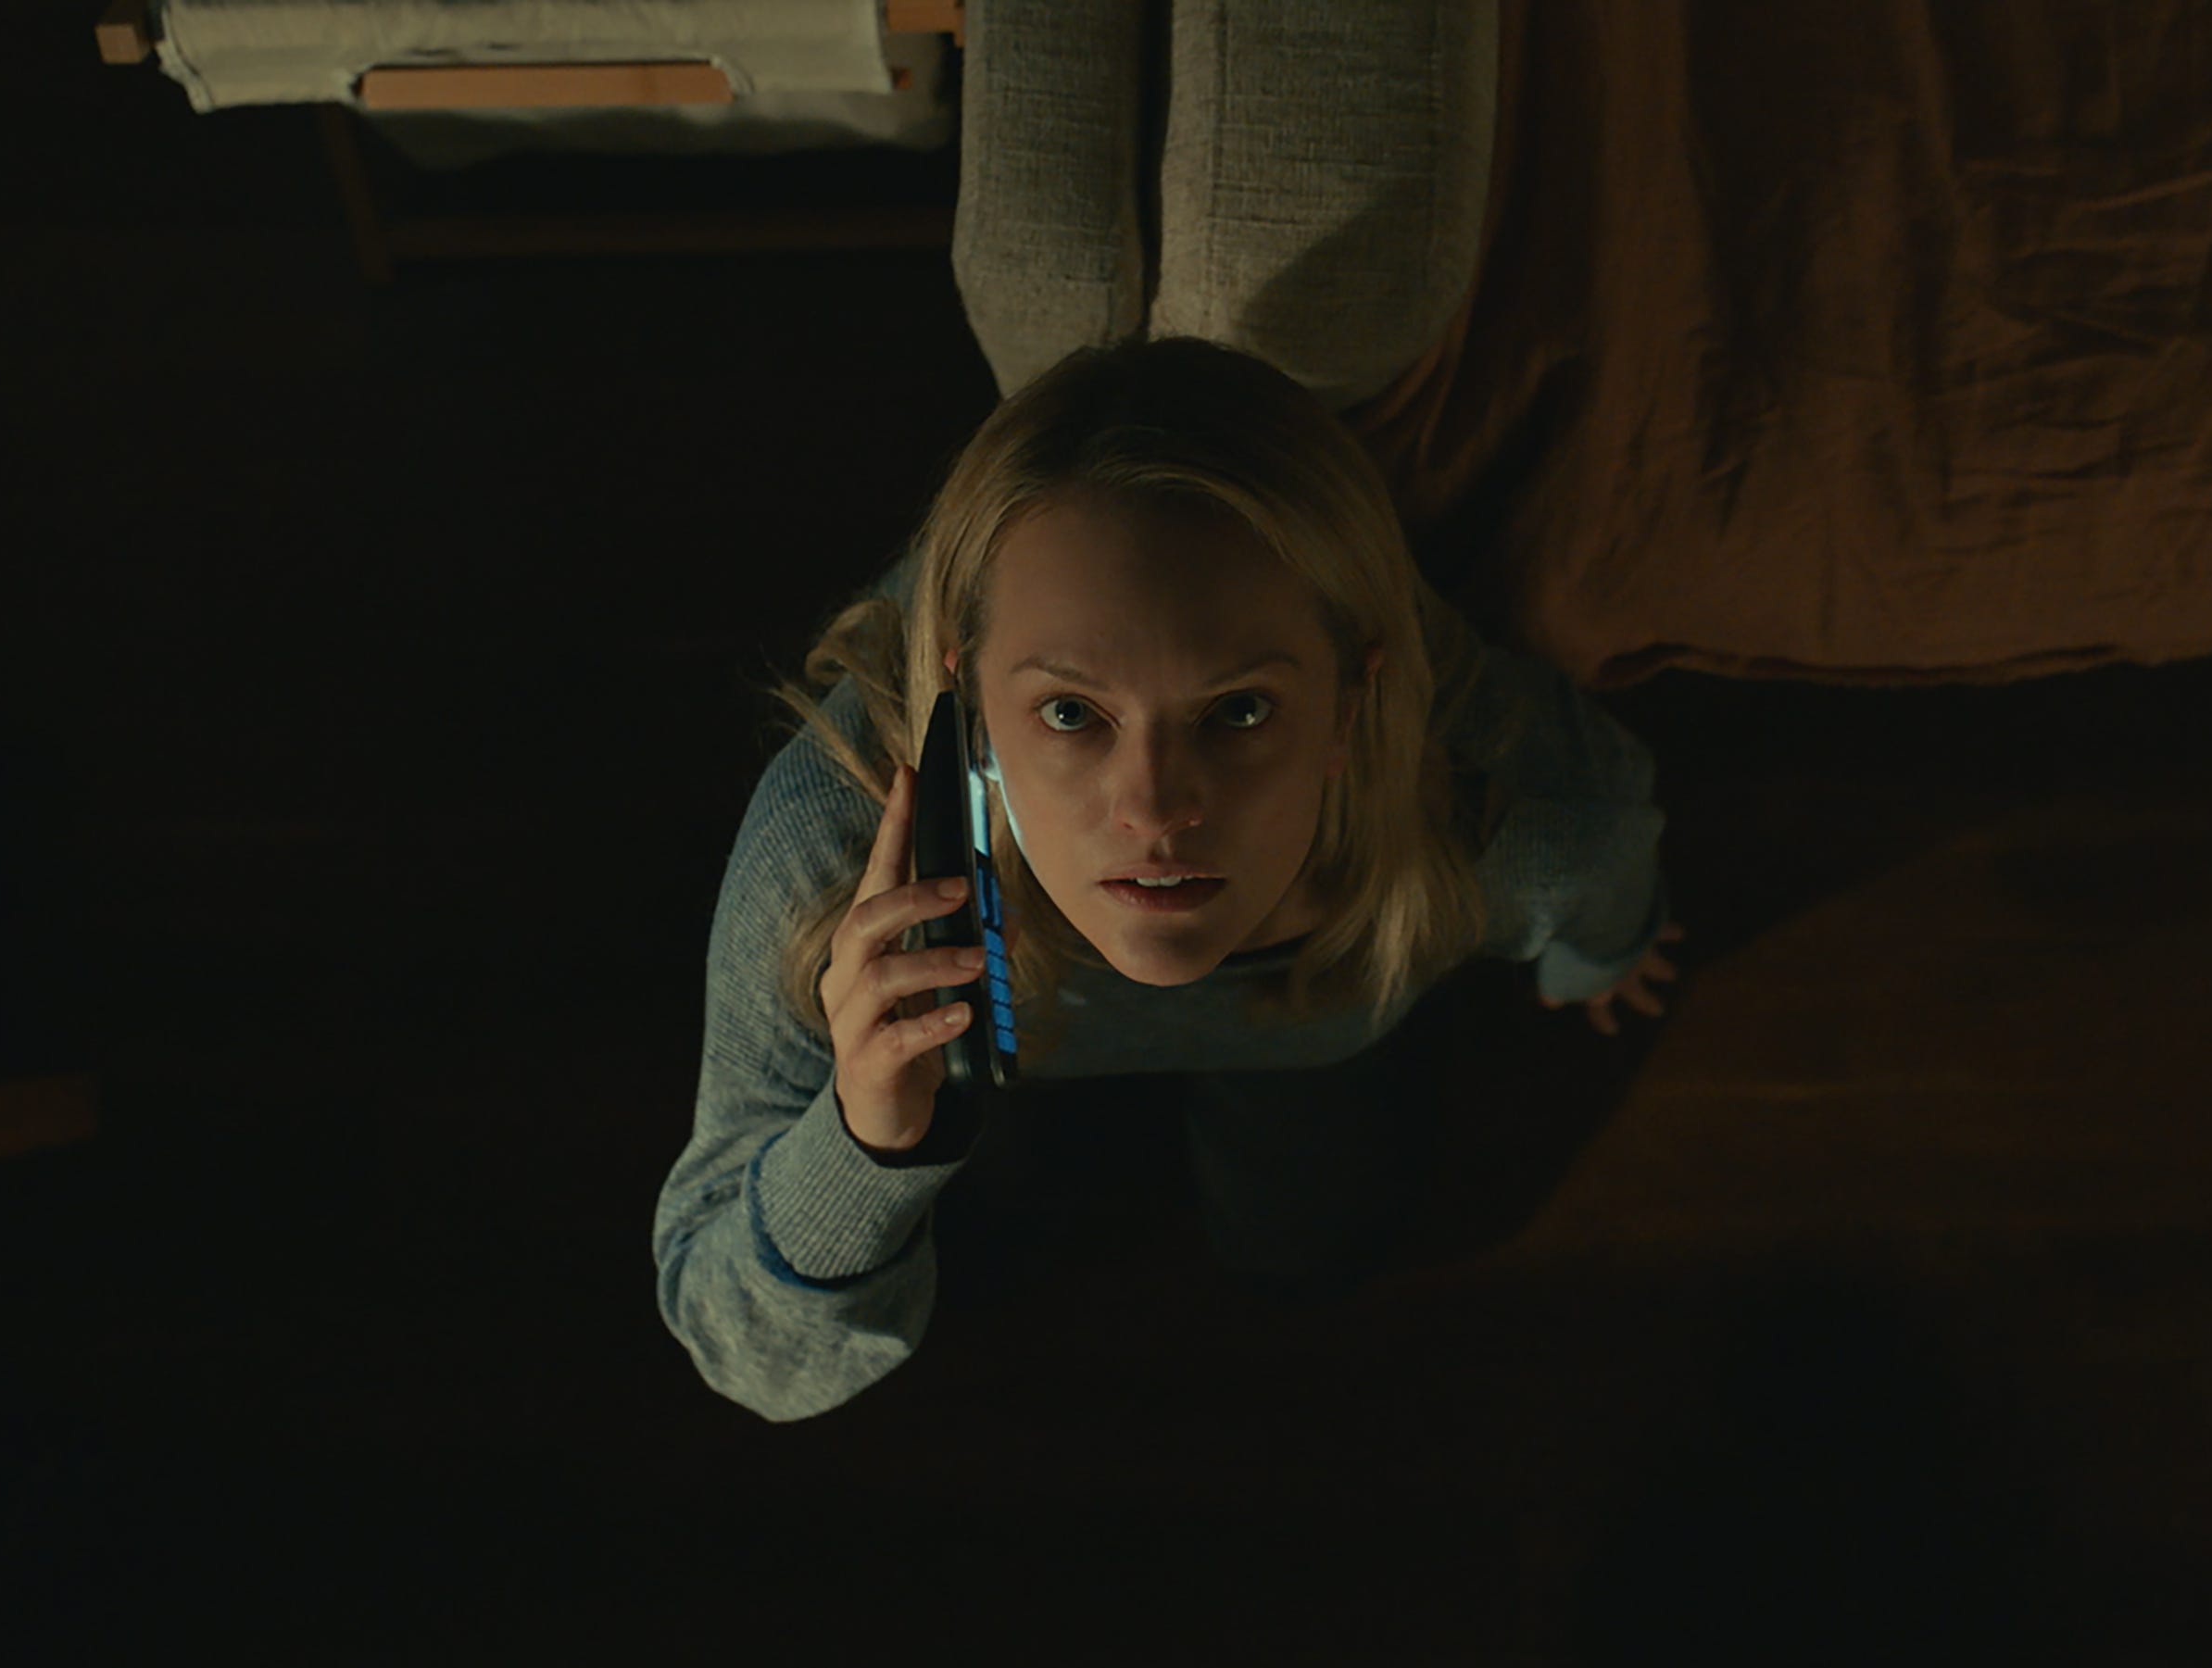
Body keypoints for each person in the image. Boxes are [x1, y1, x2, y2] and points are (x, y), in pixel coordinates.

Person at [653, 335, 1682, 1422]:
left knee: (1308, 1254)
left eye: (1237, 710)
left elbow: (1605, 847)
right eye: (1070, 713)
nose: (1152, 811)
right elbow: (749, 1354)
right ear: (971, 704)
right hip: (1009, 1078)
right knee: (992, 1253)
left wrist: (1599, 951)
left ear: (1346, 705)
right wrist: (863, 1140)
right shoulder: (832, 860)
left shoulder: (1504, 813)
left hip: (1314, 1033)